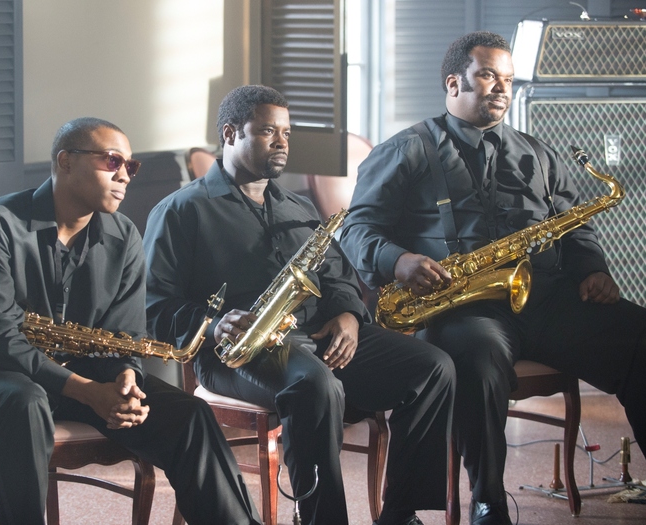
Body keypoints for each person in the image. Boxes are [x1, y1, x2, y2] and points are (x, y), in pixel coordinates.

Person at [339, 31, 646, 525]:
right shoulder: (405, 150)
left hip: (547, 301)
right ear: (454, 83)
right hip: (463, 307)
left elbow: (576, 224)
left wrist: (592, 268)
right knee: (478, 359)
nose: (501, 88)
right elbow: (357, 229)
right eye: (488, 75)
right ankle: (488, 499)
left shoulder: (539, 153)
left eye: (508, 80)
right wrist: (398, 260)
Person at [143, 85, 456, 525]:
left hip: (317, 336)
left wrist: (348, 315)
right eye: (268, 131)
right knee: (315, 385)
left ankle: (400, 514)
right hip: (236, 353)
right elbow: (154, 306)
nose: (282, 142)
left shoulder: (299, 206)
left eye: (286, 133)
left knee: (433, 367)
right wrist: (214, 324)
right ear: (230, 133)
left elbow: (339, 278)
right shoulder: (179, 210)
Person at [0, 117, 262, 525]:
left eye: (131, 166)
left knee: (190, 416)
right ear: (65, 161)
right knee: (25, 403)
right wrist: (88, 391)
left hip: (86, 374)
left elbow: (124, 334)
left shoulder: (124, 234)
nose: (125, 175)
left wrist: (125, 377)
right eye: (112, 161)